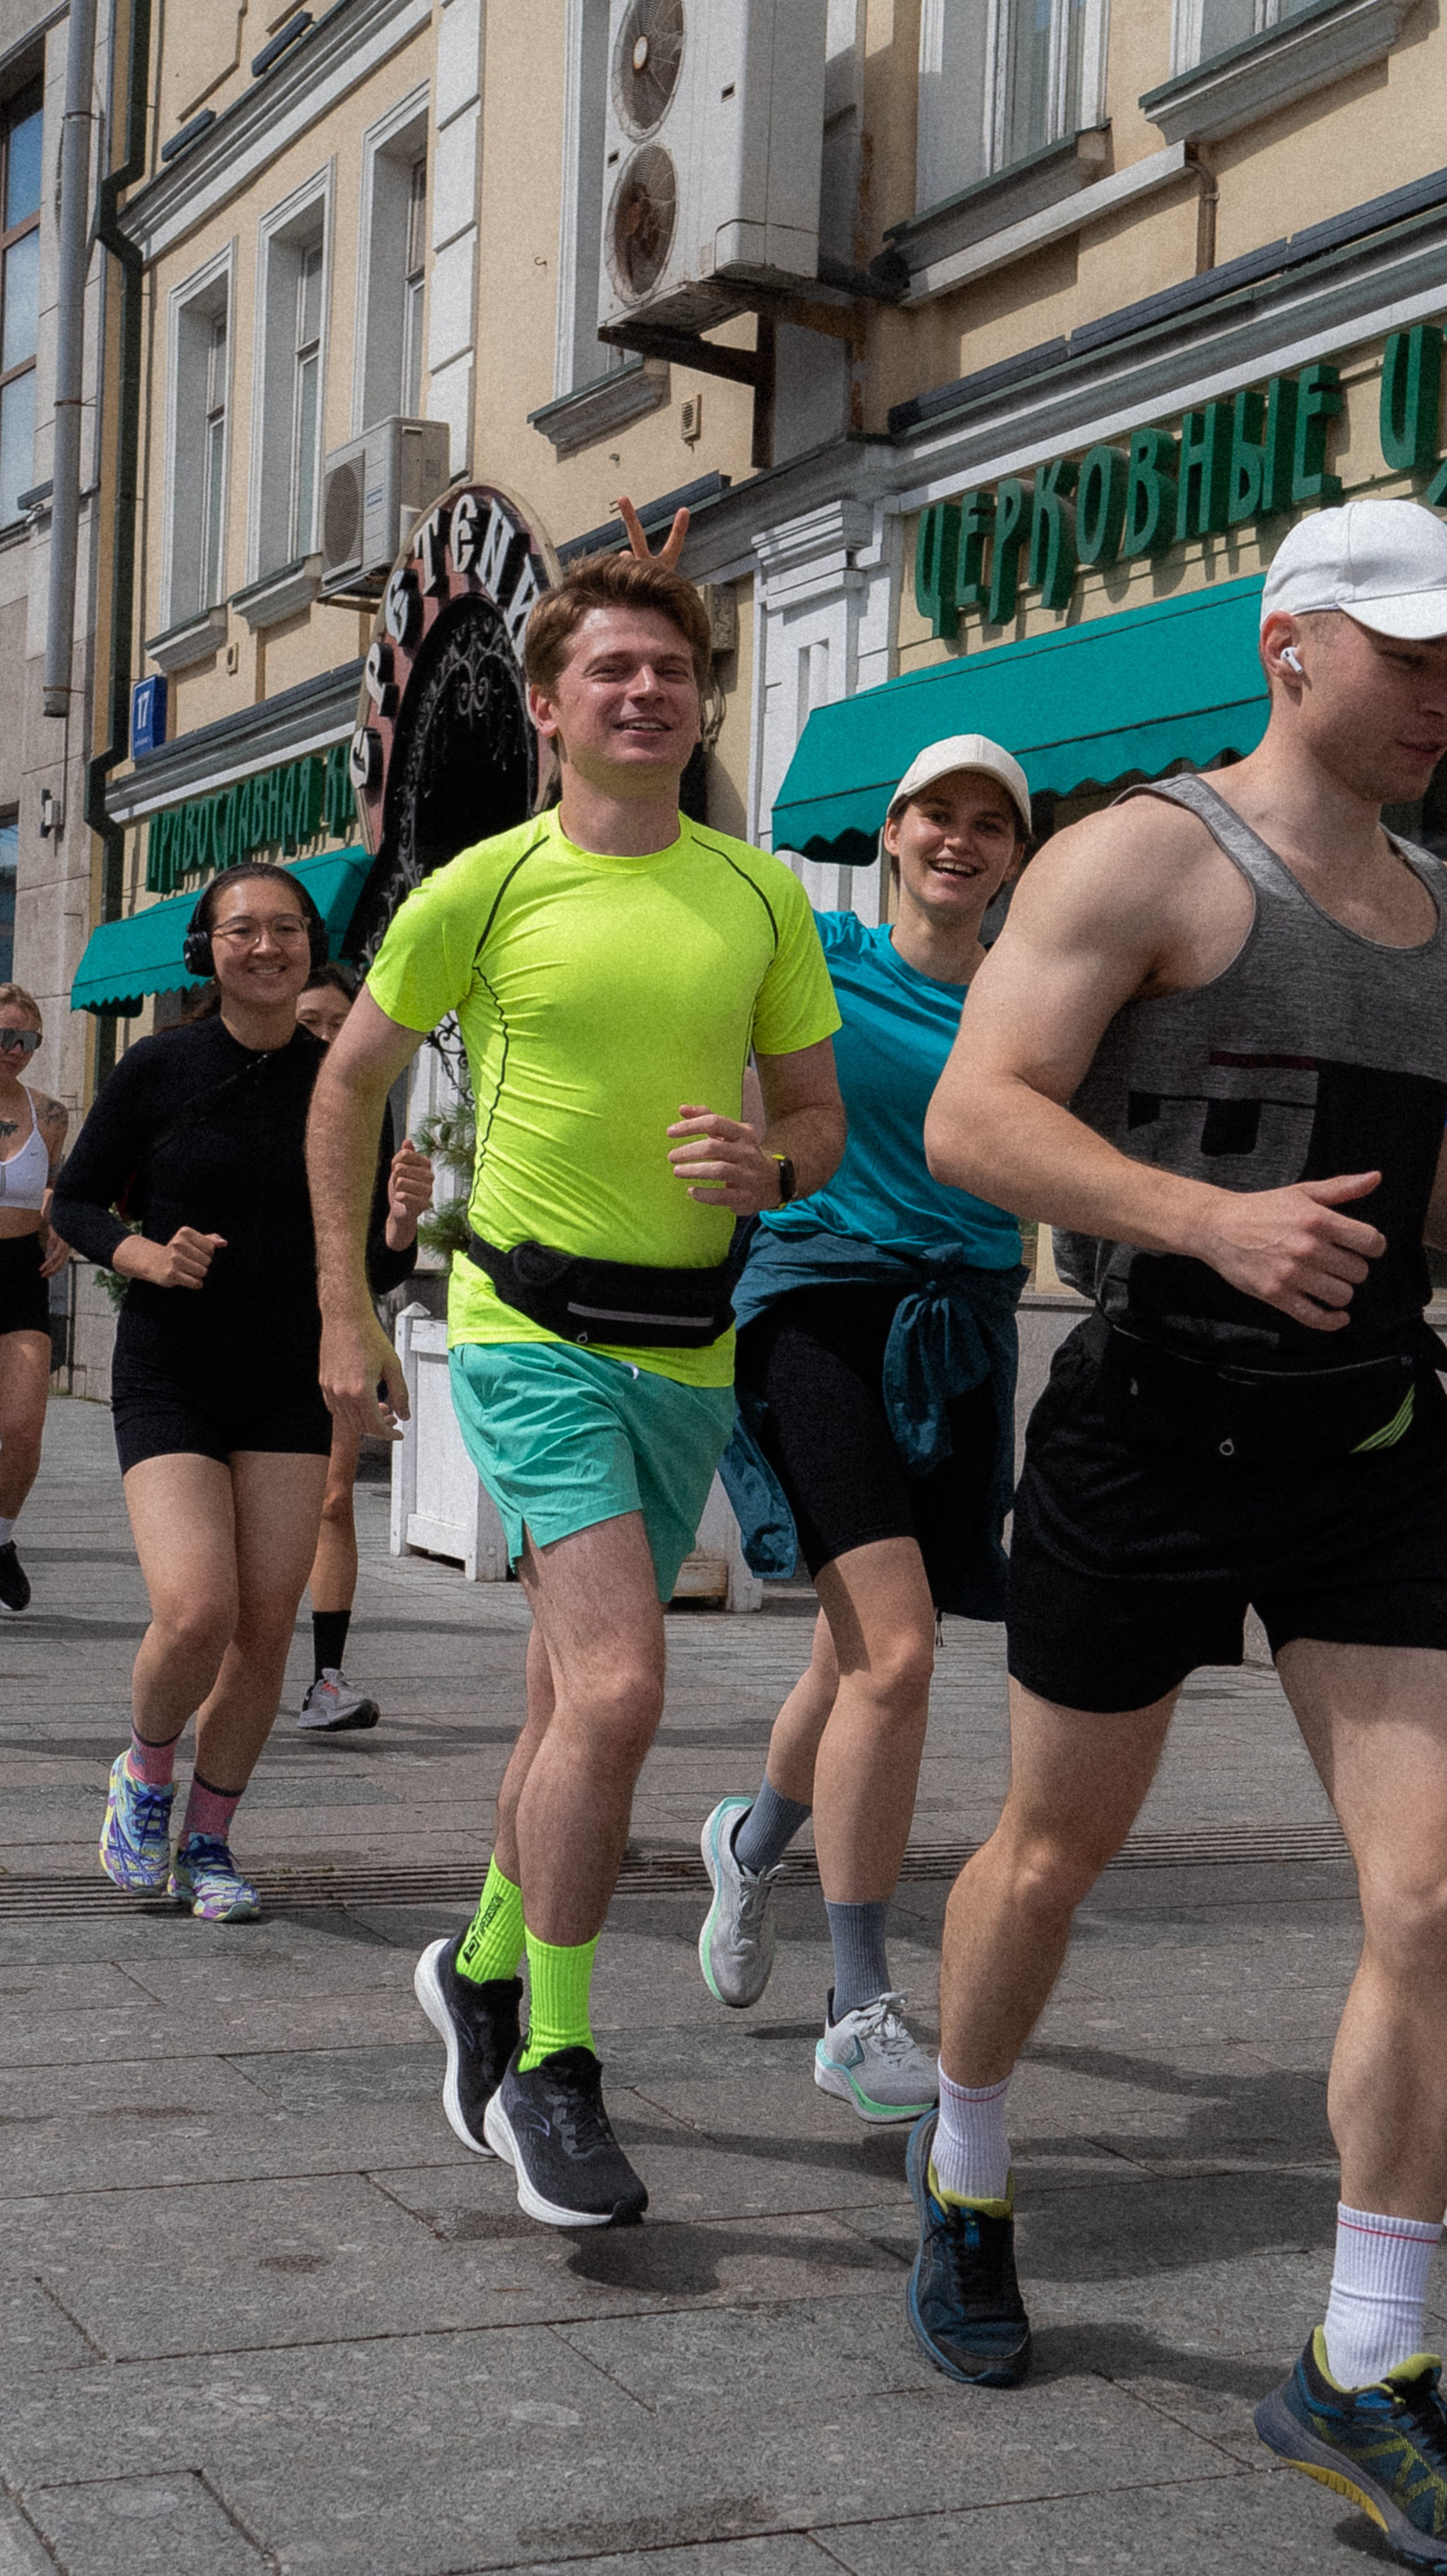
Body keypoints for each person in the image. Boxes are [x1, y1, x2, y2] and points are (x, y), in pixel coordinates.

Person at [911, 497, 1447, 2564]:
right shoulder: (1141, 851)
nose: (1429, 690)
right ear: (1284, 641)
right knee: (1051, 1852)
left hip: (1373, 1440)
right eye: (1397, 649)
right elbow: (979, 1119)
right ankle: (960, 2174)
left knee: (1424, 1895)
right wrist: (1206, 1217)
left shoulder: (1433, 909)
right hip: (1145, 1420)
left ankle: (1365, 2355)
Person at [307, 532, 845, 2228]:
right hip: (528, 1334)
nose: (645, 691)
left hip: (688, 1347)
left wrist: (776, 1167)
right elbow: (347, 1095)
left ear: (700, 710)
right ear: (549, 707)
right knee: (618, 1697)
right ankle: (555, 2057)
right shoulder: (486, 886)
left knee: (563, 1710)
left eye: (671, 674)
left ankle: (475, 1965)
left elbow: (818, 1120)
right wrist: (347, 1306)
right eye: (611, 671)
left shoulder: (756, 893)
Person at [698, 736, 1029, 2126]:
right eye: (933, 817)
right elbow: (701, 863)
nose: (959, 840)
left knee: (859, 1648)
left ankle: (752, 1840)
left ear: (1018, 855)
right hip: (818, 1306)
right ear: (889, 836)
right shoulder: (820, 952)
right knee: (896, 1648)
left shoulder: (1039, 999)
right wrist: (686, 700)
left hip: (962, 1327)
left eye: (989, 825)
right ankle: (856, 2001)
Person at [55, 863, 418, 1922]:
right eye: (242, 930)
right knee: (197, 1609)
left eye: (287, 929)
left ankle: (210, 1840)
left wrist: (395, 1231)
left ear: (313, 941)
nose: (267, 946)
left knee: (264, 1630)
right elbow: (78, 1203)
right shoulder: (161, 1068)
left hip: (289, 1381)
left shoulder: (348, 1083)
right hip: (171, 1370)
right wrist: (142, 1255)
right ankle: (144, 1771)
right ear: (206, 950)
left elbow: (366, 1274)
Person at [294, 962, 434, 1731]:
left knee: (333, 1497)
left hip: (336, 1325)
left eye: (337, 1027)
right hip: (240, 1329)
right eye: (309, 1023)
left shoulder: (367, 1110)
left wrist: (402, 1221)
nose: (323, 1040)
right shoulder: (243, 1090)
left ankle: (326, 1680)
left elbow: (381, 1265)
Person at [0, 983, 69, 1611]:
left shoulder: (49, 1113)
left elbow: (56, 1190)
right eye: (3, 1036)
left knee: (23, 1427)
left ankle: (1, 1539)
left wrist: (63, 1222)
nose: (14, 1049)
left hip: (21, 1270)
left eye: (27, 1039)